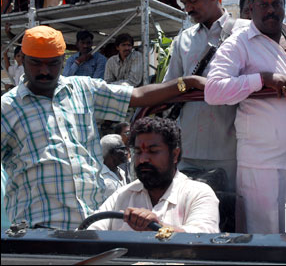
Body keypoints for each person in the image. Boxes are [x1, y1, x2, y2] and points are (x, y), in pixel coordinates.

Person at [1, 25, 205, 230]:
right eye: (36, 63)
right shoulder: (7, 108)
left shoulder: (82, 89)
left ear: (63, 60)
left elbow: (137, 96)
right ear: (23, 59)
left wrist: (186, 83)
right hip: (38, 231)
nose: (44, 71)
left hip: (93, 225)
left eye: (52, 63)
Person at [205, 0, 286, 233]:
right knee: (266, 245)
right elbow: (213, 90)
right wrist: (262, 80)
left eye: (276, 3)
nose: (270, 10)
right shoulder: (239, 43)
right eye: (263, 4)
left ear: (284, 4)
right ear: (251, 9)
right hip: (264, 168)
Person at [162, 0, 237, 193]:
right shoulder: (183, 40)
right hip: (188, 152)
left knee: (228, 216)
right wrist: (190, 84)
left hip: (229, 151)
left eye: (193, 1)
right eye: (184, 3)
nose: (188, 9)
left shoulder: (240, 34)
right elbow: (169, 88)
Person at [88, 117, 220, 232]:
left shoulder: (198, 193)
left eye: (153, 151)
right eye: (138, 152)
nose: (142, 159)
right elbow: (90, 233)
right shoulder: (122, 195)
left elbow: (201, 237)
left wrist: (159, 227)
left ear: (174, 155)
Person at [100, 134, 129, 198]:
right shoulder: (100, 177)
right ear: (112, 152)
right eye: (122, 149)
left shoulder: (121, 172)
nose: (126, 152)